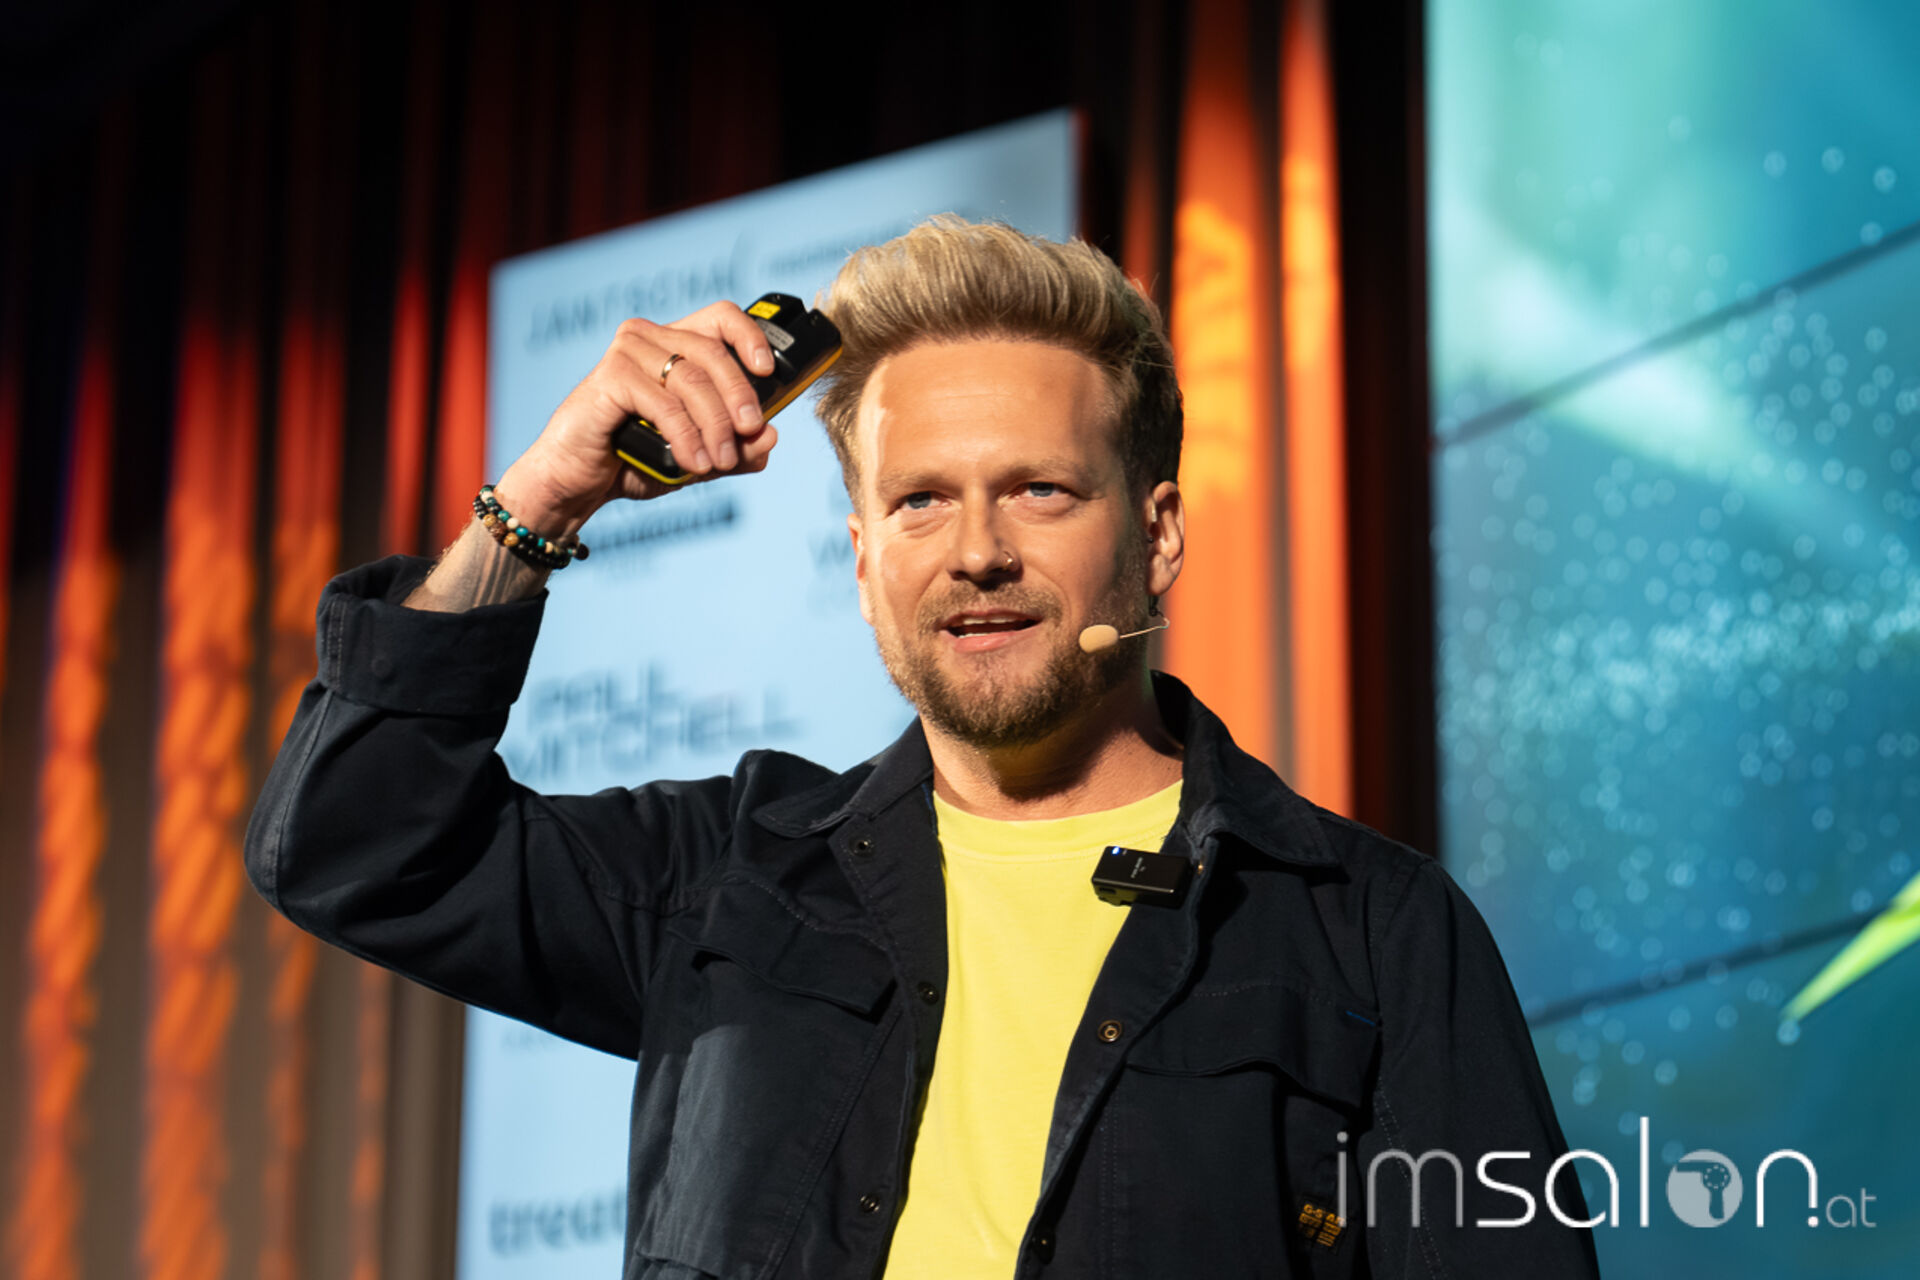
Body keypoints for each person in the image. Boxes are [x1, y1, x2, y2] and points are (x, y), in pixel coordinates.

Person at [247, 216, 1603, 1279]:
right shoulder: (729, 883)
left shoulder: (1373, 933)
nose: (976, 553)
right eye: (919, 503)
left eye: (1040, 490)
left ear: (1158, 536)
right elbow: (356, 845)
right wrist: (541, 499)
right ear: (861, 560)